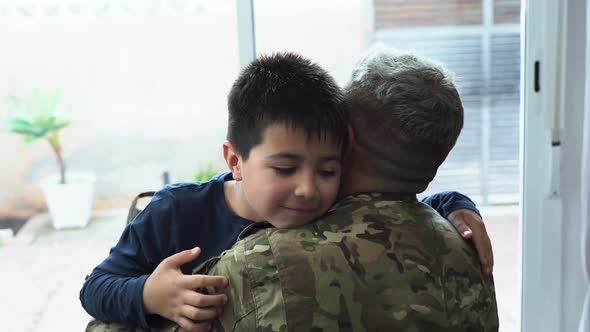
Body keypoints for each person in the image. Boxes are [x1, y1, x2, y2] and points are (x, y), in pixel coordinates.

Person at [81, 52, 490, 332]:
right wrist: (148, 294)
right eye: (285, 167)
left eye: (327, 168)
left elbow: (399, 200)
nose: (308, 189)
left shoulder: (326, 208)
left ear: (344, 150)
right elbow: (96, 287)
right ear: (235, 161)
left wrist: (453, 202)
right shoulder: (178, 210)